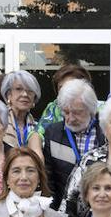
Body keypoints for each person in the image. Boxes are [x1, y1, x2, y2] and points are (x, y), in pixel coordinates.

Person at [43, 79, 102, 208]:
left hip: (101, 207)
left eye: (77, 112)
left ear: (90, 109)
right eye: (66, 112)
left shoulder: (105, 132)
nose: (70, 119)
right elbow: (49, 180)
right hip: (64, 210)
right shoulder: (53, 134)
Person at [37, 63, 92, 133]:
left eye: (70, 86)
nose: (65, 91)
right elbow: (38, 133)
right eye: (61, 88)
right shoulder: (54, 107)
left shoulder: (102, 108)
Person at [1, 70, 44, 156]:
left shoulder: (38, 127)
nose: (24, 94)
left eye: (30, 90)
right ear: (9, 94)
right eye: (18, 89)